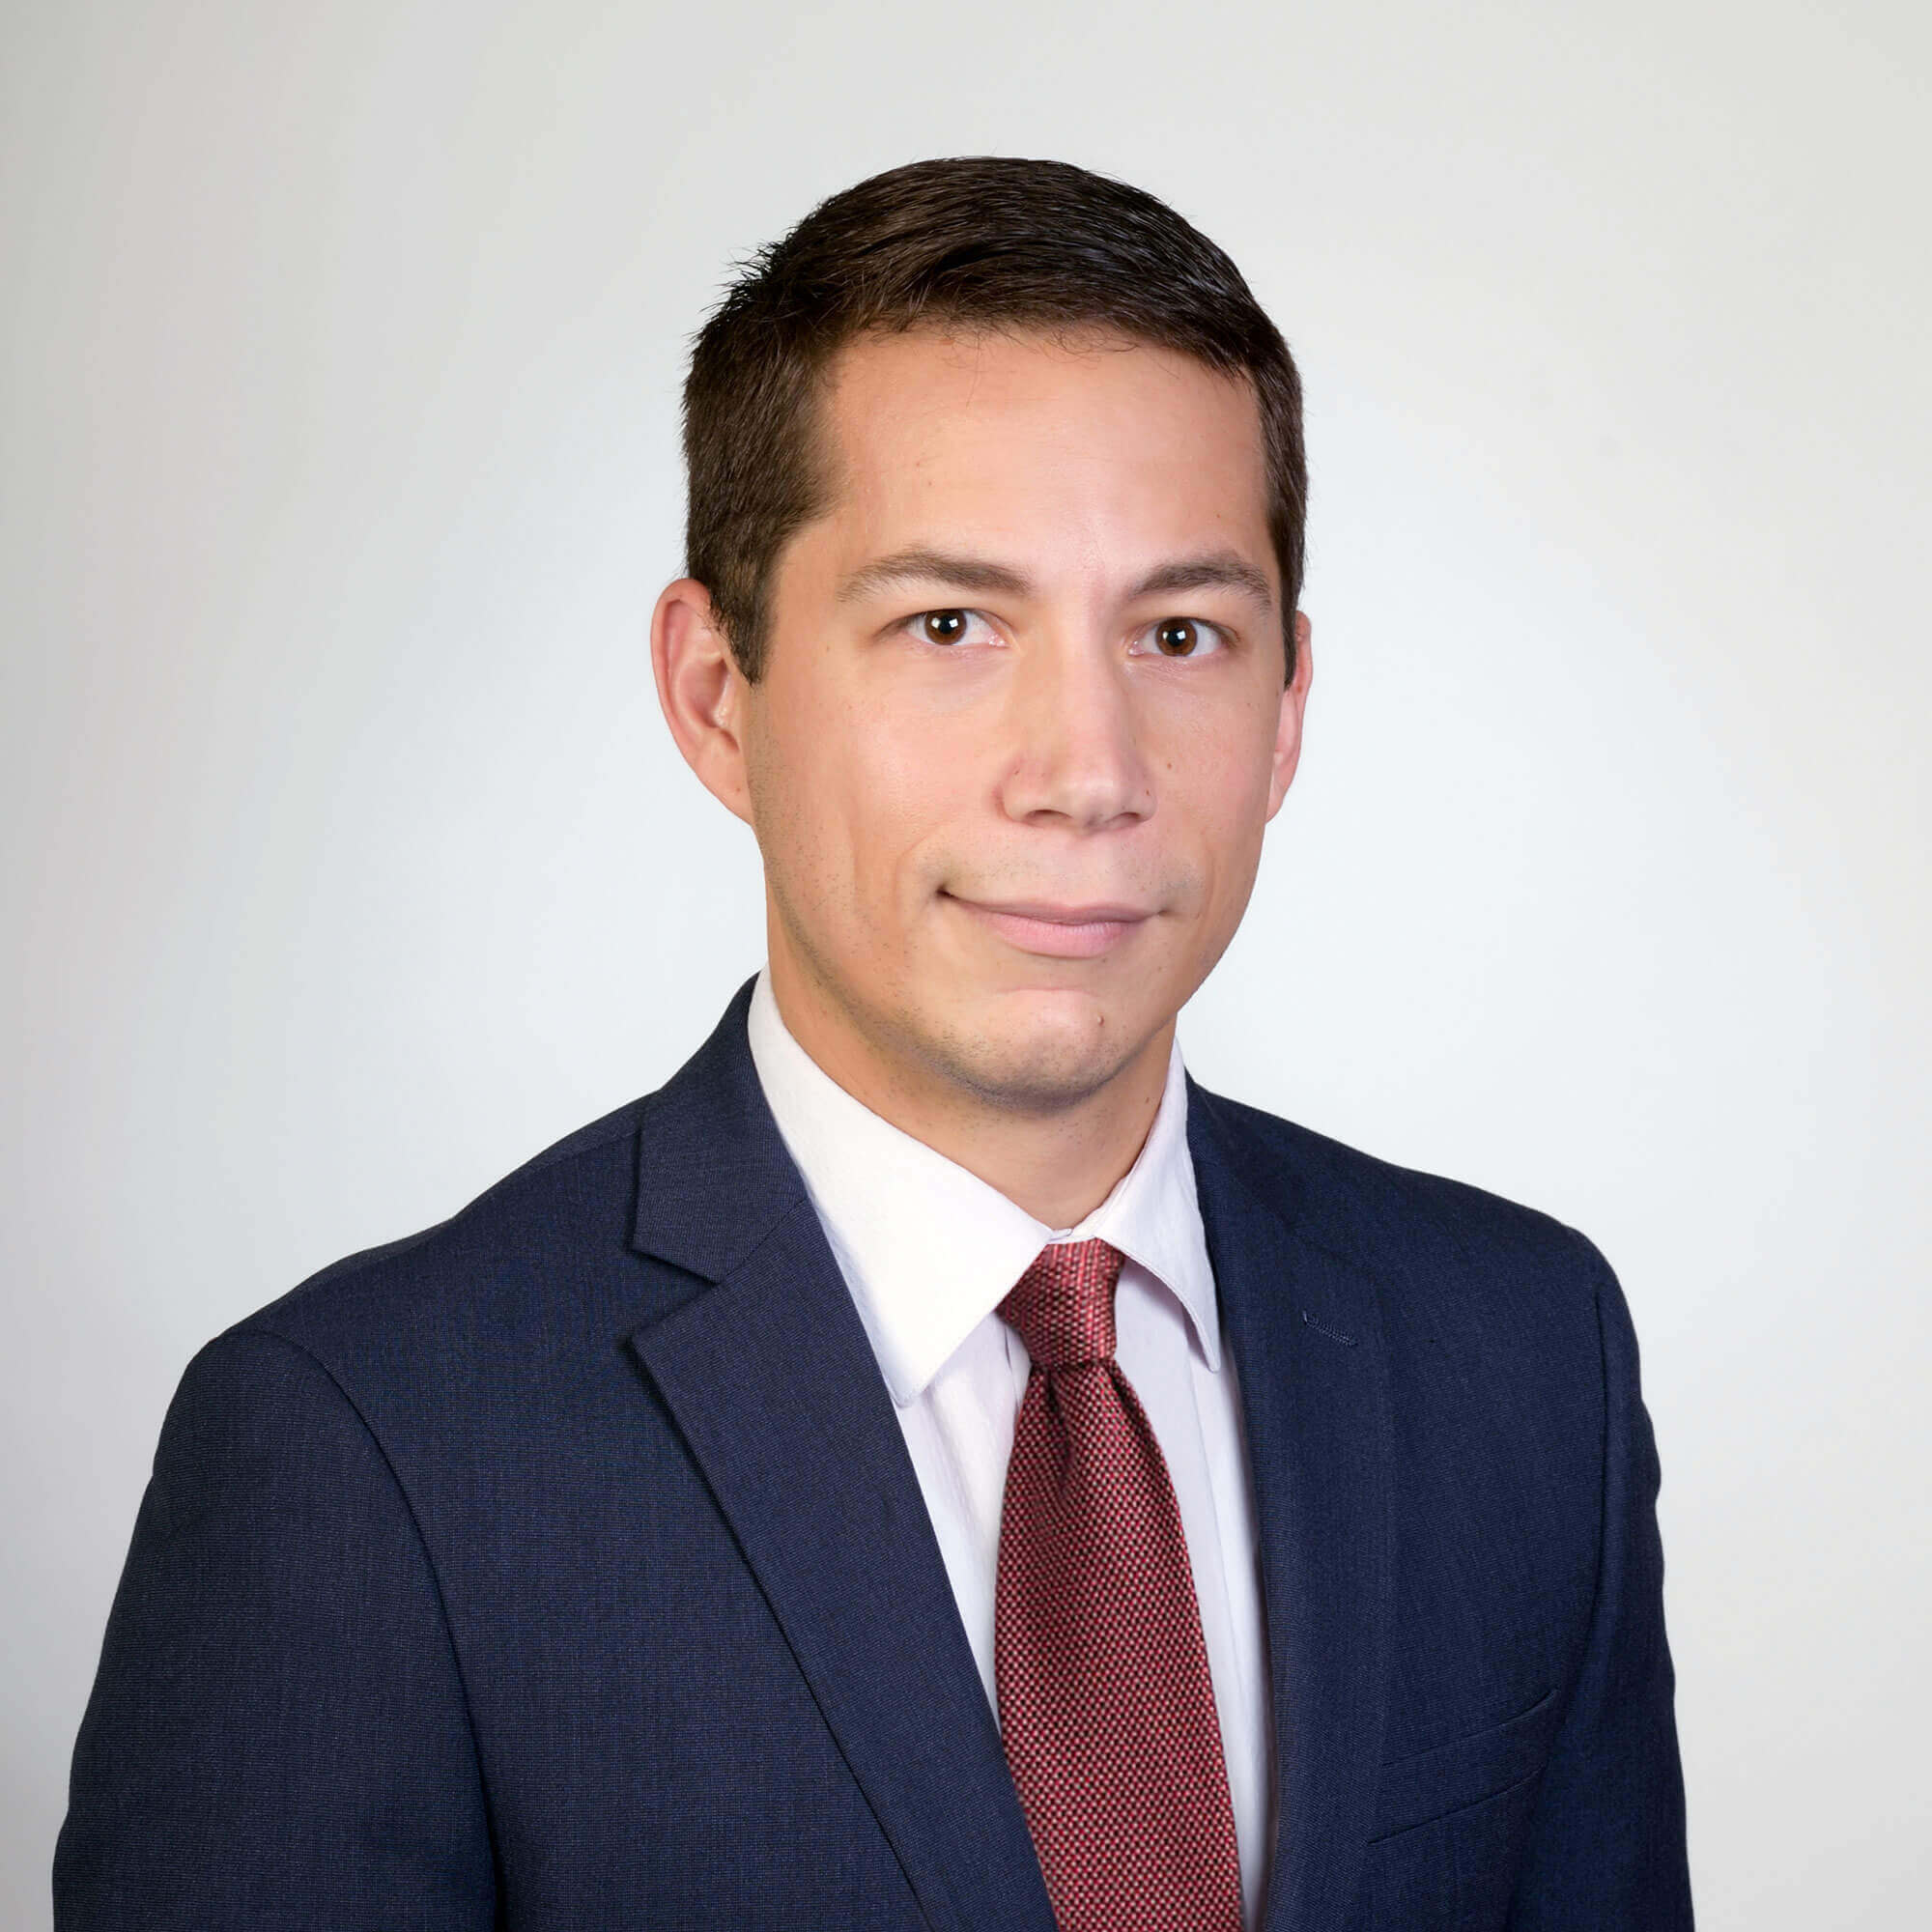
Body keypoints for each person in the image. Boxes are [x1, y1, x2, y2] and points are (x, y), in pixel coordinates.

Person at [55, 157, 1691, 1931]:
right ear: (717, 695)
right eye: (948, 626)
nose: (1088, 772)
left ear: (1288, 706)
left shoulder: (1524, 1353)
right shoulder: (367, 1453)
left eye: (1180, 634)